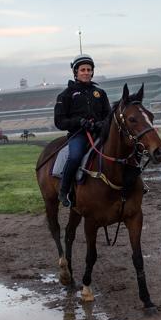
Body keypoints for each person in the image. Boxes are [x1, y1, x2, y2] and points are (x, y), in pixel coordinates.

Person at [54, 54, 110, 207]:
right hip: (78, 135)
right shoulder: (65, 95)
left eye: (89, 70)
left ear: (92, 72)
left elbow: (108, 116)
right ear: (76, 72)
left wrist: (101, 124)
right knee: (75, 156)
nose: (86, 72)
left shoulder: (100, 93)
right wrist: (78, 122)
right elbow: (59, 121)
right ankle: (64, 190)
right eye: (82, 70)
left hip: (100, 133)